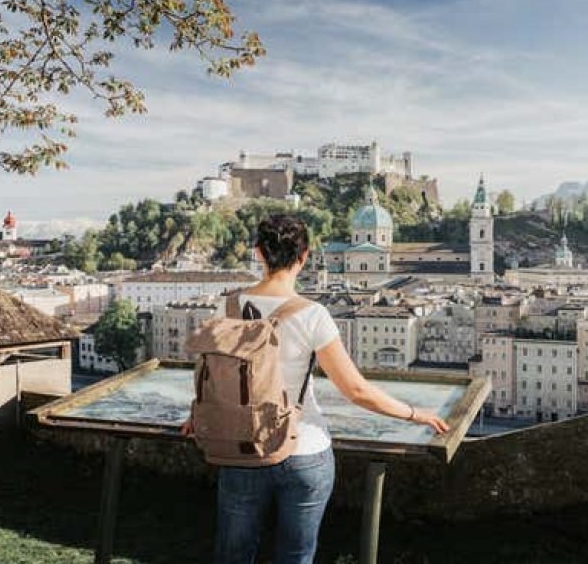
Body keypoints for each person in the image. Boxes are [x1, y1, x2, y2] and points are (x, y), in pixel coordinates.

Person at [180, 214, 448, 564]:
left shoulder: (227, 306)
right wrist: (415, 414)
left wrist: (195, 415)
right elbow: (356, 390)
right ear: (304, 257)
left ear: (259, 253)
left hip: (240, 445)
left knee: (233, 555)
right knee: (296, 557)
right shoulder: (313, 314)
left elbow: (214, 373)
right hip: (304, 449)